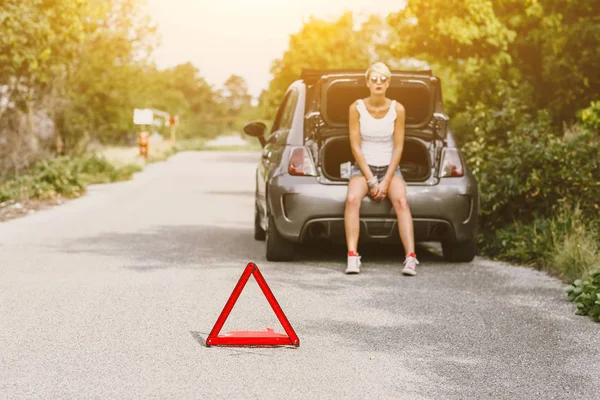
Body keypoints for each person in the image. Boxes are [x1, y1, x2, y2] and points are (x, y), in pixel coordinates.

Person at [343, 62, 418, 276]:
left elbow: (398, 146)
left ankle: (411, 258)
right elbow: (355, 146)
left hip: (390, 168)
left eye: (382, 79)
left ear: (388, 83)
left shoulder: (398, 109)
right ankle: (352, 256)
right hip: (363, 168)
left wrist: (385, 180)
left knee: (401, 201)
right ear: (367, 82)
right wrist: (371, 180)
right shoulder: (355, 107)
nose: (378, 83)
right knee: (352, 200)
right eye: (374, 79)